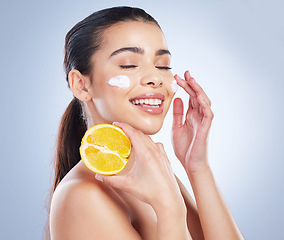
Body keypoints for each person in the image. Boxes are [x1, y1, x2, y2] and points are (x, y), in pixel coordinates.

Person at [48, 6, 244, 240]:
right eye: (129, 64)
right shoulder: (82, 195)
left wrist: (197, 166)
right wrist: (169, 209)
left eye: (162, 65)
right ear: (81, 85)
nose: (155, 78)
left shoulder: (155, 172)